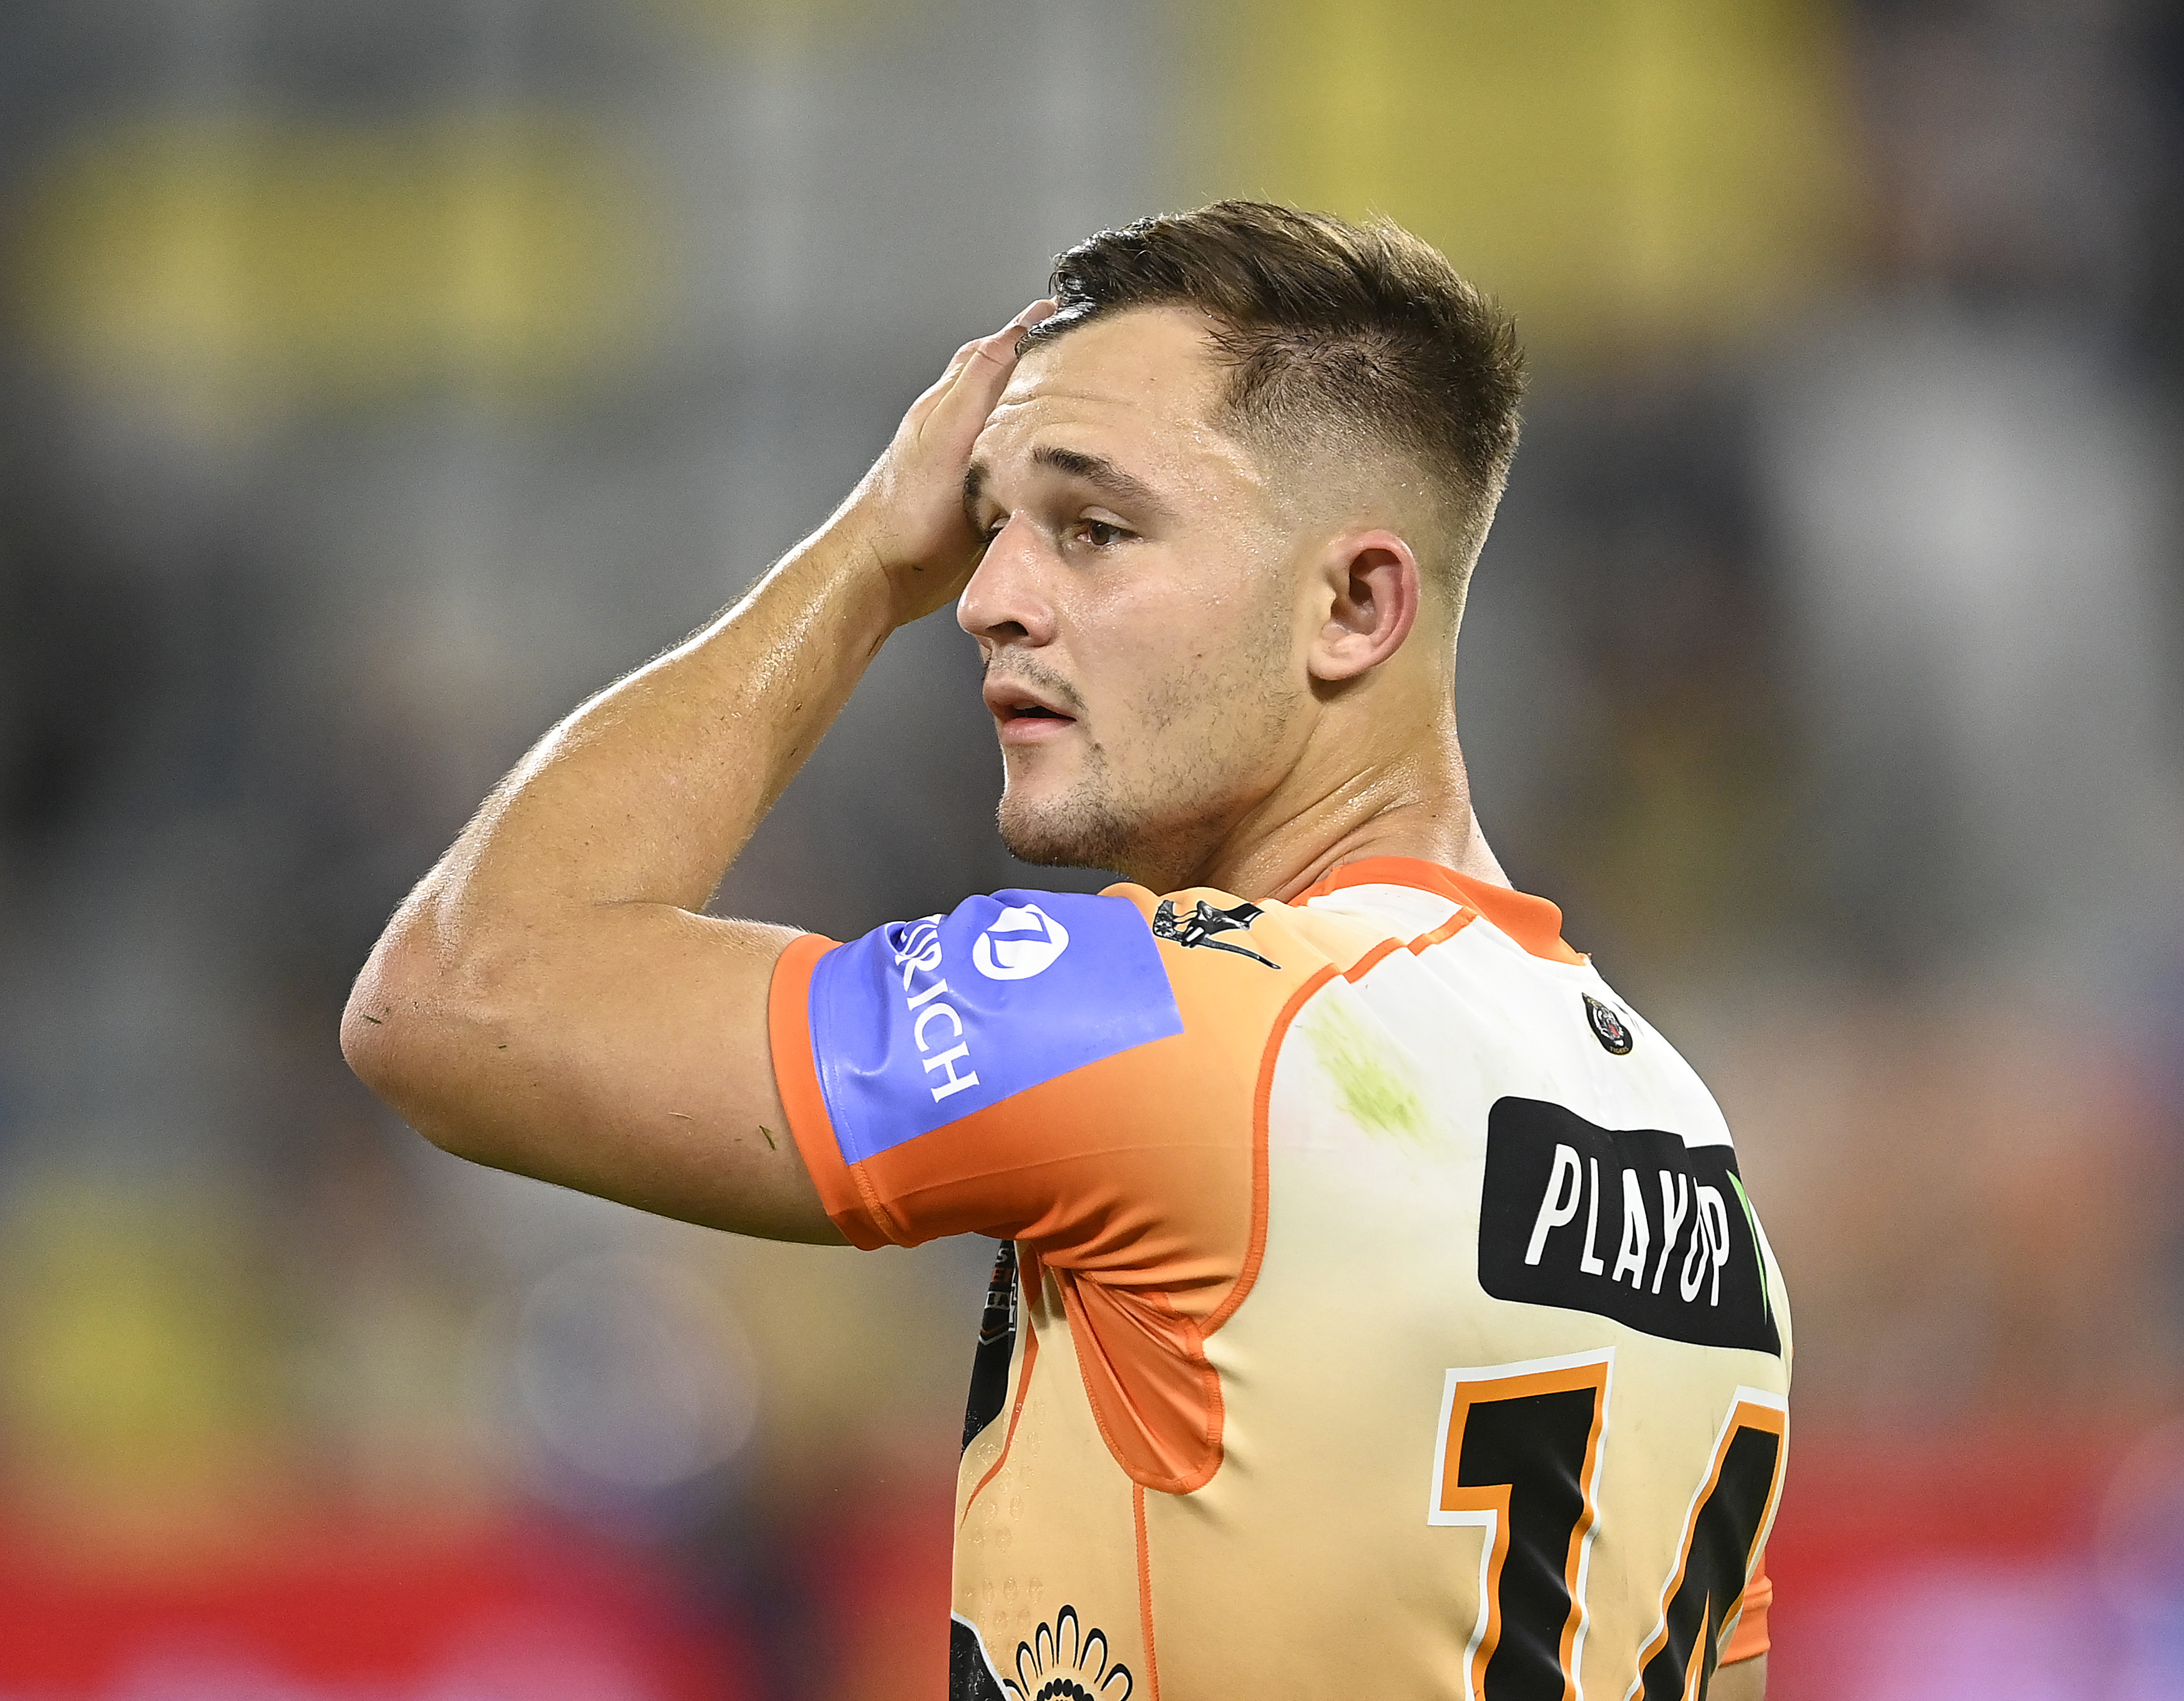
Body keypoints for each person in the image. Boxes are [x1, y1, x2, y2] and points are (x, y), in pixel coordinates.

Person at [343, 201, 1788, 1700]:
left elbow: (461, 991)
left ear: (1356, 605)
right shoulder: (1684, 1139)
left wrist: (861, 563)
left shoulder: (1165, 1008)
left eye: (1095, 531)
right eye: (984, 530)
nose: (982, 599)